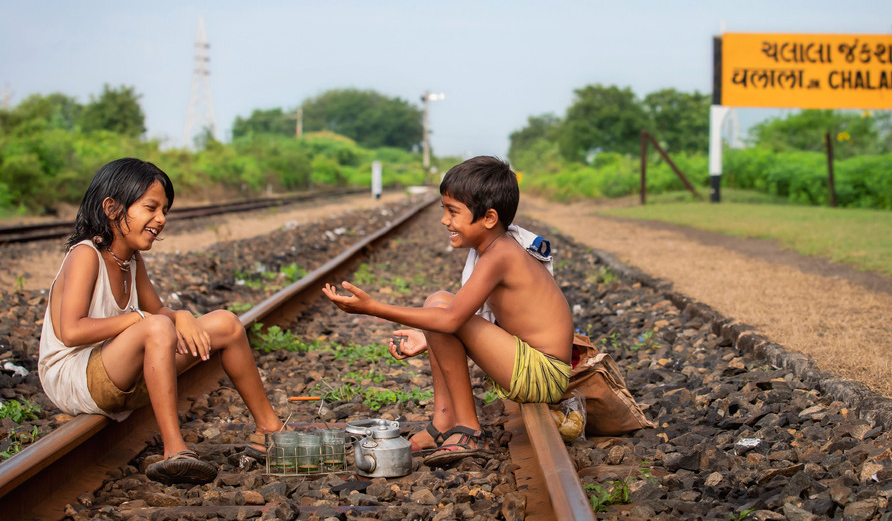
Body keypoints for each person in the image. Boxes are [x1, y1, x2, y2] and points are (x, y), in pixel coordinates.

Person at [38, 158, 284, 485]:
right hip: (73, 375)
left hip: (116, 368)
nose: (160, 219)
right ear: (112, 208)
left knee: (226, 323)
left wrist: (180, 316)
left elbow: (160, 313)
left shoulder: (131, 260)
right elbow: (71, 332)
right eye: (151, 207)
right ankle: (174, 450)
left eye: (164, 210)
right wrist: (140, 319)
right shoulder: (85, 254)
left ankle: (269, 431)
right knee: (156, 326)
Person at [323, 155, 574, 466]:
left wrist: (373, 308)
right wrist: (430, 335)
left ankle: (468, 429)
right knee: (438, 302)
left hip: (543, 374)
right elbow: (464, 317)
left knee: (442, 311)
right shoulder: (497, 248)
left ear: (489, 218)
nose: (444, 220)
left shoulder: (501, 254)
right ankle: (442, 422)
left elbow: (454, 319)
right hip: (528, 365)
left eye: (452, 212)